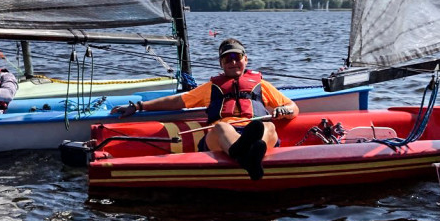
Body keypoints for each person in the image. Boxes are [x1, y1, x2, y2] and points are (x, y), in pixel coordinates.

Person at [110, 38, 299, 180]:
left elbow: (293, 107)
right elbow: (178, 101)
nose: (233, 62)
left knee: (268, 127)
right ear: (221, 64)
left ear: (246, 59)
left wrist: (285, 111)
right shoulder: (211, 87)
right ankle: (246, 157)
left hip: (255, 133)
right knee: (221, 127)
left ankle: (250, 156)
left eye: (237, 57)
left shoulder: (262, 85)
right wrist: (139, 106)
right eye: (227, 59)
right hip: (222, 137)